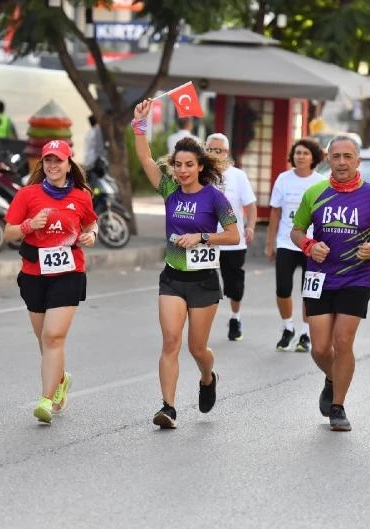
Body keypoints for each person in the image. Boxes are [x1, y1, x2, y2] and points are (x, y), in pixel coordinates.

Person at [132, 100, 239, 429]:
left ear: (200, 166)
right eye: (177, 164)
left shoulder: (214, 198)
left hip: (204, 281)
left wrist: (202, 237)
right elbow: (145, 158)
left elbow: (233, 236)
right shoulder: (169, 190)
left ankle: (208, 377)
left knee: (197, 348)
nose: (181, 170)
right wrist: (140, 123)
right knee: (170, 341)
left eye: (188, 165)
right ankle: (169, 407)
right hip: (173, 278)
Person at [290, 135, 370, 431]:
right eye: (336, 156)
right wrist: (309, 245)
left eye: (347, 157)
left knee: (342, 341)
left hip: (357, 277)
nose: (341, 162)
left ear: (357, 161)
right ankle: (332, 377)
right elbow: (297, 231)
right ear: (328, 159)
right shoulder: (314, 192)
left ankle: (338, 406)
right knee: (320, 349)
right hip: (319, 277)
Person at [3, 139, 98, 424]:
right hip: (34, 274)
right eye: (48, 160)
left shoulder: (81, 196)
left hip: (69, 272)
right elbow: (8, 232)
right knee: (44, 340)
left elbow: (91, 223)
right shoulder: (27, 195)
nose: (53, 165)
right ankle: (60, 380)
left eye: (59, 160)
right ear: (42, 164)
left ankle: (45, 400)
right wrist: (28, 226)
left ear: (69, 164)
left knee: (53, 336)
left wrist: (91, 235)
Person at [265, 138, 325, 353]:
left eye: (305, 153)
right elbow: (275, 212)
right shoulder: (283, 179)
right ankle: (287, 327)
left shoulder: (321, 182)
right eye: (298, 153)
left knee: (308, 292)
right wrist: (270, 243)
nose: (301, 157)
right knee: (282, 289)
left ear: (313, 158)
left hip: (311, 245)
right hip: (285, 242)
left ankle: (305, 333)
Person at [205, 133, 257, 341]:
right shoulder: (200, 174)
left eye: (219, 150)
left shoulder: (237, 176)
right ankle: (203, 323)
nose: (214, 154)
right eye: (210, 149)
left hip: (232, 241)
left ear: (226, 153)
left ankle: (235, 317)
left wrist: (251, 227)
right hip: (205, 239)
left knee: (233, 286)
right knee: (205, 285)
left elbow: (250, 205)